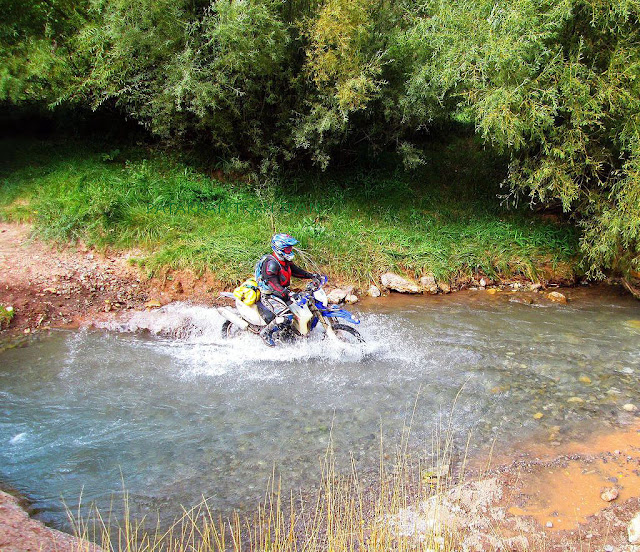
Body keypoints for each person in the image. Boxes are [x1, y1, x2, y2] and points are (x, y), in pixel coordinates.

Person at [255, 233, 316, 346]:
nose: (290, 250)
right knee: (286, 317)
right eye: (288, 248)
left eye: (290, 248)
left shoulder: (285, 261)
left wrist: (312, 276)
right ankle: (266, 333)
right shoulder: (271, 264)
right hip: (270, 296)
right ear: (279, 249)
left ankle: (294, 333)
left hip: (282, 293)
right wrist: (288, 294)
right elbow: (273, 284)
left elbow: (296, 271)